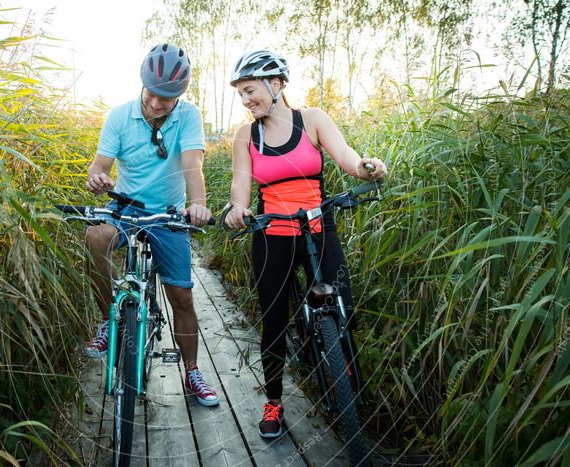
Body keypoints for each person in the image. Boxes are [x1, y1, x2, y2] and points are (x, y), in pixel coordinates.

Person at [223, 50, 387, 436]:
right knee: (274, 320)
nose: (246, 100)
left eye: (250, 91)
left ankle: (345, 378)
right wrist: (237, 210)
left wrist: (369, 166)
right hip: (273, 234)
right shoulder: (247, 135)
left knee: (342, 302)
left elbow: (349, 159)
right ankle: (274, 401)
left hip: (317, 227)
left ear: (275, 85)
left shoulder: (311, 120)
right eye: (241, 95)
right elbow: (240, 187)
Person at [84, 43, 218, 406]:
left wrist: (198, 205)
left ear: (182, 94)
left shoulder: (188, 116)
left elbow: (193, 166)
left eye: (168, 98)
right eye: (153, 94)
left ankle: (192, 371)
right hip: (125, 208)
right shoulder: (119, 116)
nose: (158, 104)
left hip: (168, 214)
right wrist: (96, 179)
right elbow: (99, 167)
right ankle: (108, 320)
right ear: (142, 82)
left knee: (182, 296)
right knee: (96, 236)